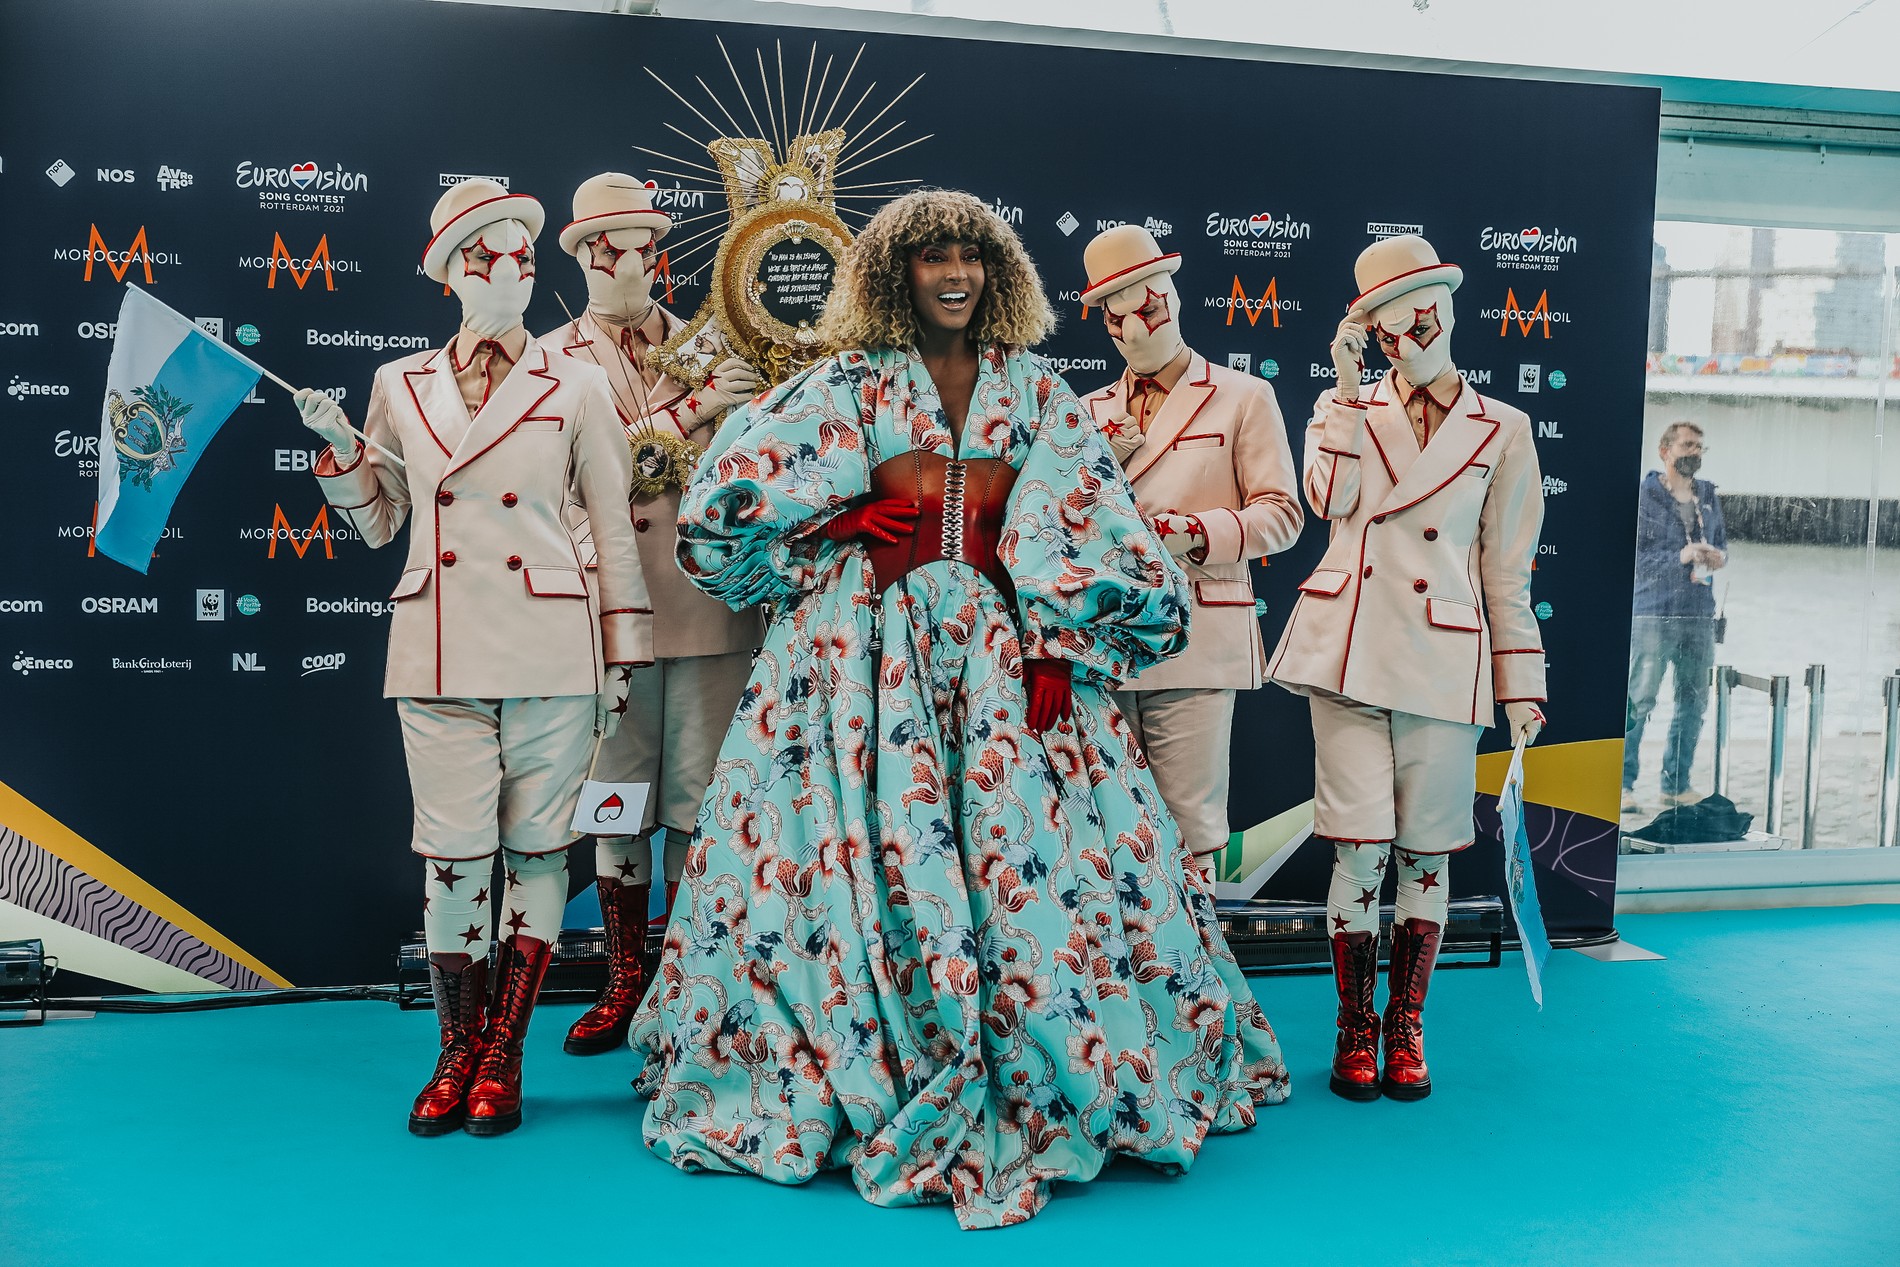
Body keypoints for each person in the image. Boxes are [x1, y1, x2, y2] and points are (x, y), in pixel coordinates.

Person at [625, 190, 1288, 1229]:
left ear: (998, 272)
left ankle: (1035, 1050)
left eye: (972, 256)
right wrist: (838, 520)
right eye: (932, 255)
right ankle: (872, 1054)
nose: (955, 273)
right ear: (895, 271)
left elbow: (1091, 520)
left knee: (1019, 858)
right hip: (858, 661)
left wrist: (1058, 643)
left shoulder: (1036, 389)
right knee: (847, 856)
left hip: (999, 661)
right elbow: (725, 509)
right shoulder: (846, 381)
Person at [294, 179, 650, 1136]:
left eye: (524, 253)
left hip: (552, 651)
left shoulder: (576, 384)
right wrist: (338, 454)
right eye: (493, 253)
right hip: (440, 649)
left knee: (538, 851)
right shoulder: (400, 384)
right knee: (452, 859)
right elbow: (381, 526)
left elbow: (614, 530)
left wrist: (623, 656)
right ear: (451, 271)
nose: (515, 268)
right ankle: (454, 1049)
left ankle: (503, 1054)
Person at [1267, 234, 1546, 1102]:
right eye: (1385, 330)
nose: (1406, 340)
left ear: (1449, 310)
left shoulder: (1506, 428)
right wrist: (1348, 392)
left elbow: (1507, 571)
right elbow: (1328, 502)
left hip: (1444, 658)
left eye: (1419, 319)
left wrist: (1522, 682)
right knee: (1358, 848)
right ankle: (1355, 1025)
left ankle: (1406, 1023)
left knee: (1427, 853)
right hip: (1348, 650)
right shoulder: (1340, 406)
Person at [538, 173, 765, 1055]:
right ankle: (624, 977)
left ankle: (689, 980)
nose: (628, 263)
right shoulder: (550, 363)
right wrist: (697, 408)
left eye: (644, 245)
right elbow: (578, 481)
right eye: (609, 248)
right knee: (615, 803)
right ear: (581, 255)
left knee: (701, 802)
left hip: (711, 604)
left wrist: (746, 407)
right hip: (611, 613)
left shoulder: (720, 342)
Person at [1075, 224, 1304, 883]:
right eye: (1114, 316)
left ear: (1170, 297)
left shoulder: (1243, 395)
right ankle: (1123, 951)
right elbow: (1059, 526)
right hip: (1103, 641)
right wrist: (1097, 474)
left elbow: (1282, 515)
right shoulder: (1085, 410)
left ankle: (1198, 950)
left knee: (1192, 829)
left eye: (1145, 307)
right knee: (1105, 824)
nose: (1132, 328)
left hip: (1196, 635)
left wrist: (1196, 531)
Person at [1624, 421, 1726, 811]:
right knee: (1639, 700)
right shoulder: (1644, 496)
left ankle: (1676, 785)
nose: (1695, 453)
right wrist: (1681, 556)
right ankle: (1622, 785)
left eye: (1700, 447)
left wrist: (1717, 557)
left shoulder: (1708, 494)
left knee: (1693, 703)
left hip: (1698, 613)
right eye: (1687, 445)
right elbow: (1634, 559)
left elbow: (1721, 543)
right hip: (1653, 612)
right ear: (1665, 450)